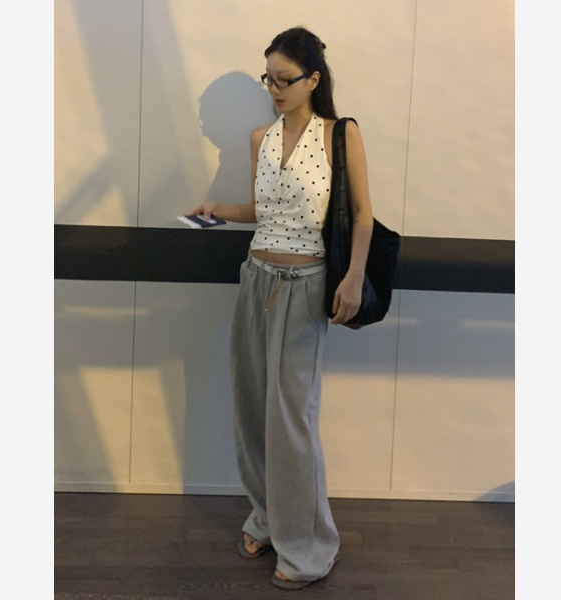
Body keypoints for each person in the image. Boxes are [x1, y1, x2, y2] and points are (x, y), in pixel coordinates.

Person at [193, 26, 374, 590]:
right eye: (268, 79)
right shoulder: (261, 139)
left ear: (313, 80)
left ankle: (308, 545)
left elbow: (363, 215)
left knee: (291, 420)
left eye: (284, 80)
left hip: (306, 286)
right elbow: (263, 209)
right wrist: (218, 209)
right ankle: (268, 518)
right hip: (256, 279)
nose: (273, 89)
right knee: (251, 410)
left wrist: (352, 277)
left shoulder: (340, 134)